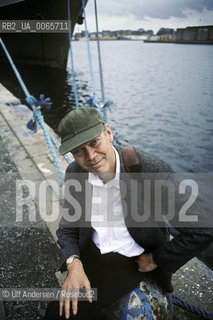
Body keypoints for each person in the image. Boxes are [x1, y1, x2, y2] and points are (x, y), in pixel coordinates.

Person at [45, 107, 212, 320]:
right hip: (91, 259)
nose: (90, 156)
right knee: (57, 314)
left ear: (108, 132)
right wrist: (73, 262)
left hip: (134, 264)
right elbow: (68, 227)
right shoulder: (75, 173)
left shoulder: (150, 171)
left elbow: (202, 231)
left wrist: (157, 258)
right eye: (79, 150)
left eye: (94, 142)